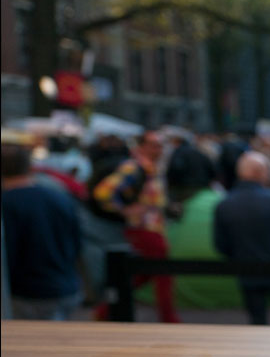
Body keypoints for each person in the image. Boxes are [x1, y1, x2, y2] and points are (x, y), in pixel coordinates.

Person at [92, 131, 181, 323]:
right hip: (144, 229)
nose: (159, 149)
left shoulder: (151, 168)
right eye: (154, 144)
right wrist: (125, 210)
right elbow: (103, 192)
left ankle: (104, 310)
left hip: (151, 228)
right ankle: (168, 318)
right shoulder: (134, 167)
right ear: (142, 146)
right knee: (161, 273)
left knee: (144, 274)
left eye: (160, 145)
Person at [1, 135, 82, 320]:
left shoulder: (7, 203)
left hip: (27, 294)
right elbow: (77, 242)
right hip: (65, 286)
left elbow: (8, 255)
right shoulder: (59, 196)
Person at [214, 151, 270, 325]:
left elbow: (220, 244)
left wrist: (238, 259)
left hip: (247, 272)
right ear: (260, 172)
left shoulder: (224, 204)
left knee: (257, 322)